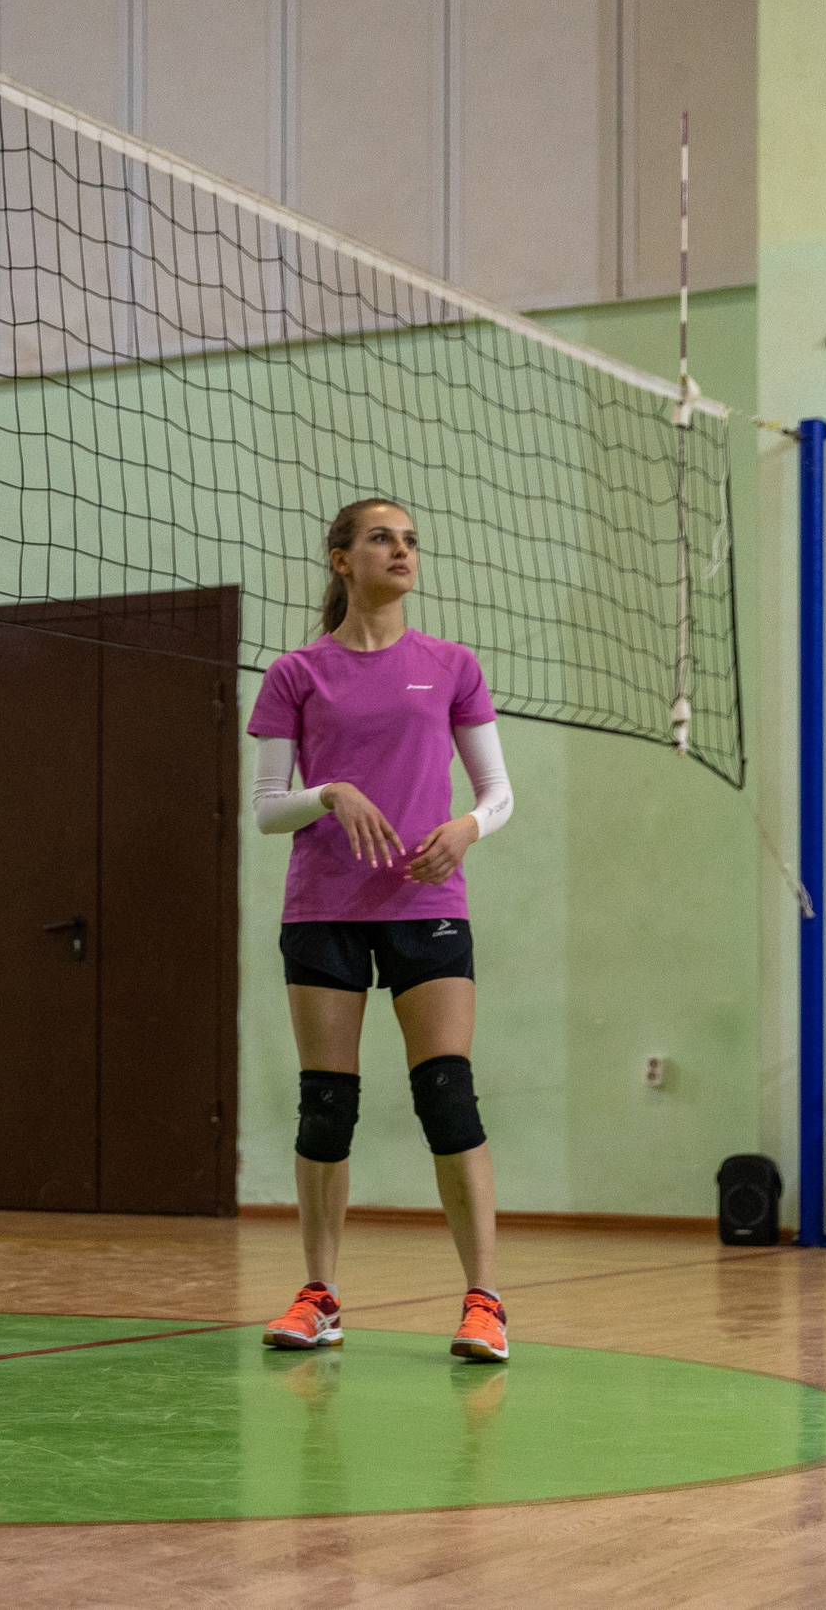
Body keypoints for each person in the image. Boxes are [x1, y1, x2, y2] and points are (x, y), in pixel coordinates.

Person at [247, 497, 515, 1363]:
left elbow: (498, 793)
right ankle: (319, 1295)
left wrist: (466, 828)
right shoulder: (296, 673)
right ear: (341, 559)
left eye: (409, 541)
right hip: (322, 908)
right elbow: (266, 809)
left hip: (425, 904)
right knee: (327, 1105)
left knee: (447, 1093)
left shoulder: (450, 665)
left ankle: (484, 1301)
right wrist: (328, 792)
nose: (401, 550)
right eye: (381, 538)